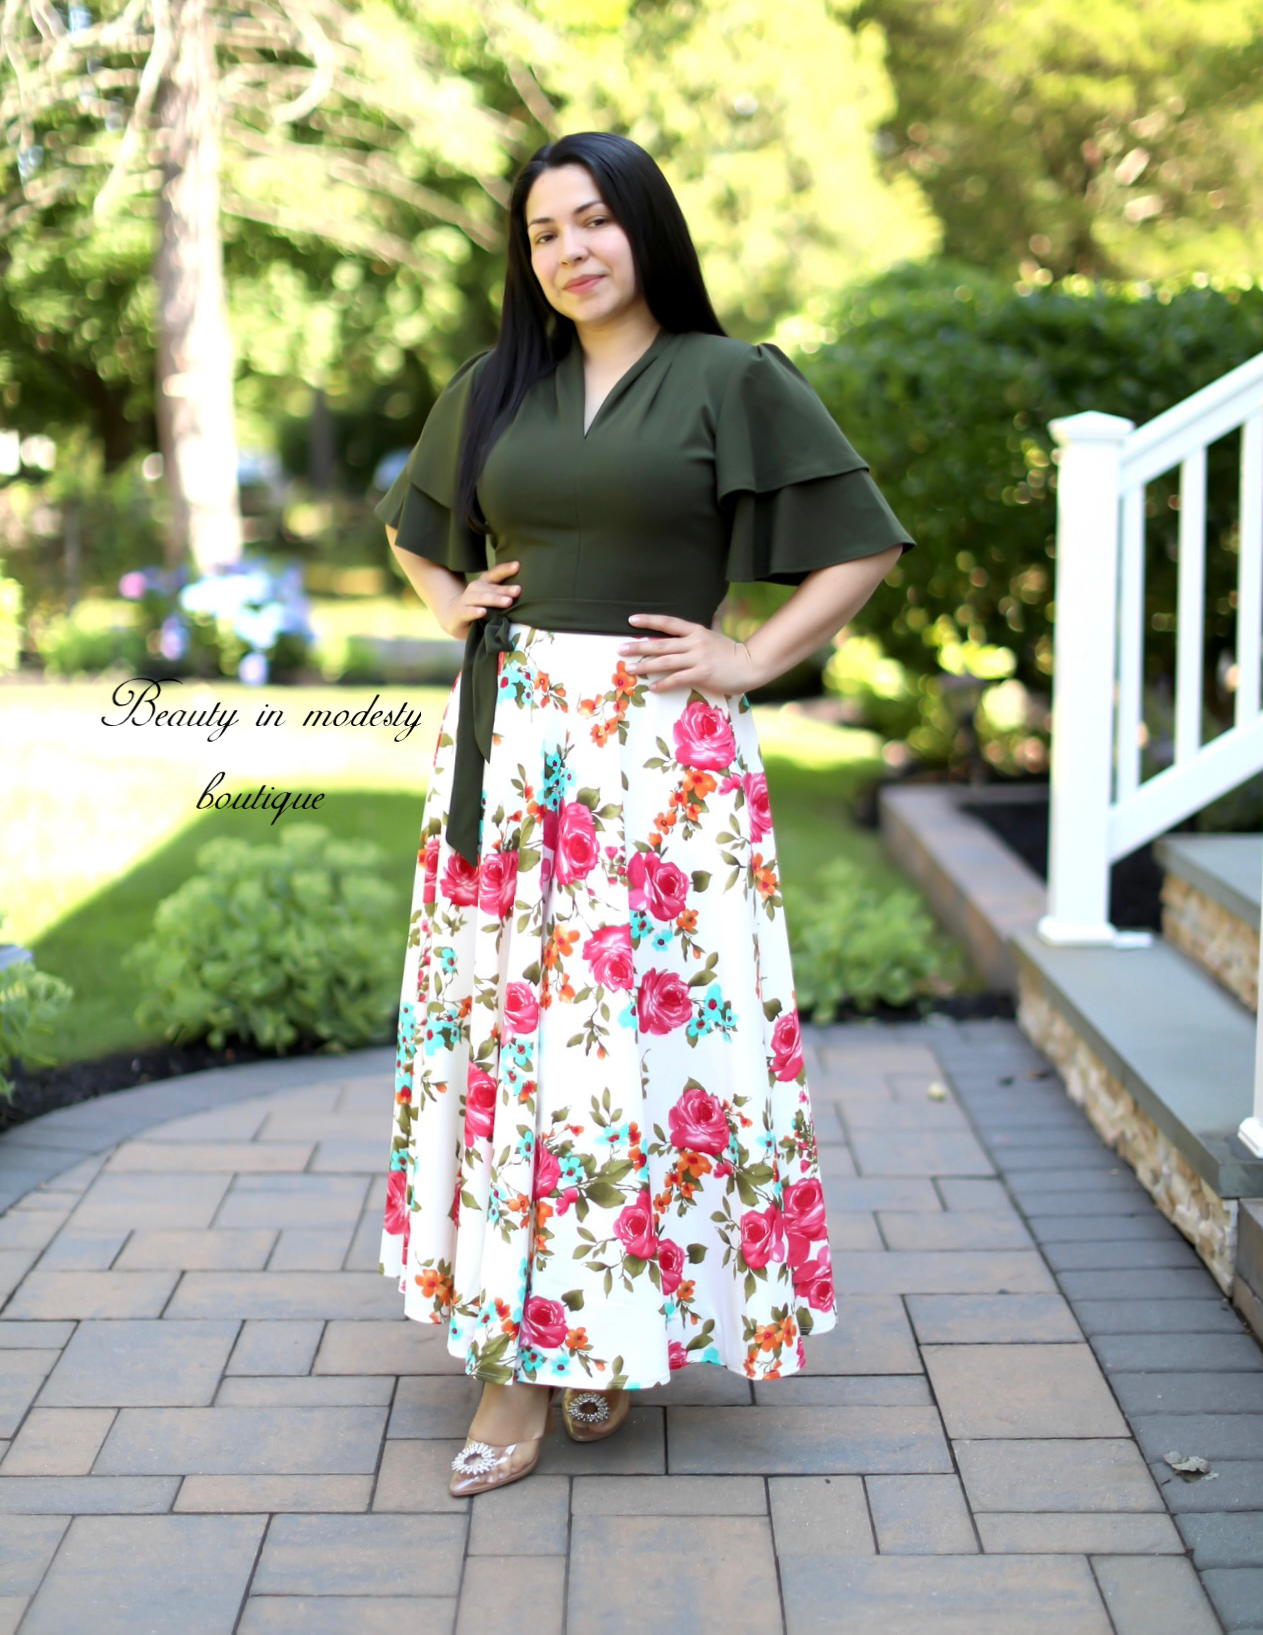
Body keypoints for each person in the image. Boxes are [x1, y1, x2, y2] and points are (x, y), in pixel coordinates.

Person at [374, 130, 916, 1497]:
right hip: (511, 755)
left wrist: (749, 657)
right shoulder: (502, 385)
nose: (569, 249)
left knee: (627, 1045)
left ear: (645, 229)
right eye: (544, 230)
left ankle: (602, 1331)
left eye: (595, 220)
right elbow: (414, 526)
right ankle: (517, 1354)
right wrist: (453, 604)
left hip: (661, 756)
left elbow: (861, 542)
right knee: (520, 1041)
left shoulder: (730, 378)